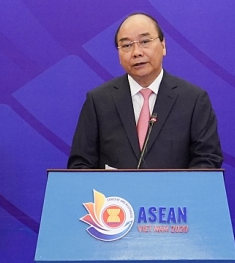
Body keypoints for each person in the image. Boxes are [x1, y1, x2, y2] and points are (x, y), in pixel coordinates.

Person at [67, 13, 223, 169]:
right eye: (126, 45)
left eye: (145, 42)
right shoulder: (99, 101)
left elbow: (207, 160)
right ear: (119, 55)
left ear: (163, 46)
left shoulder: (193, 100)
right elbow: (80, 164)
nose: (136, 52)